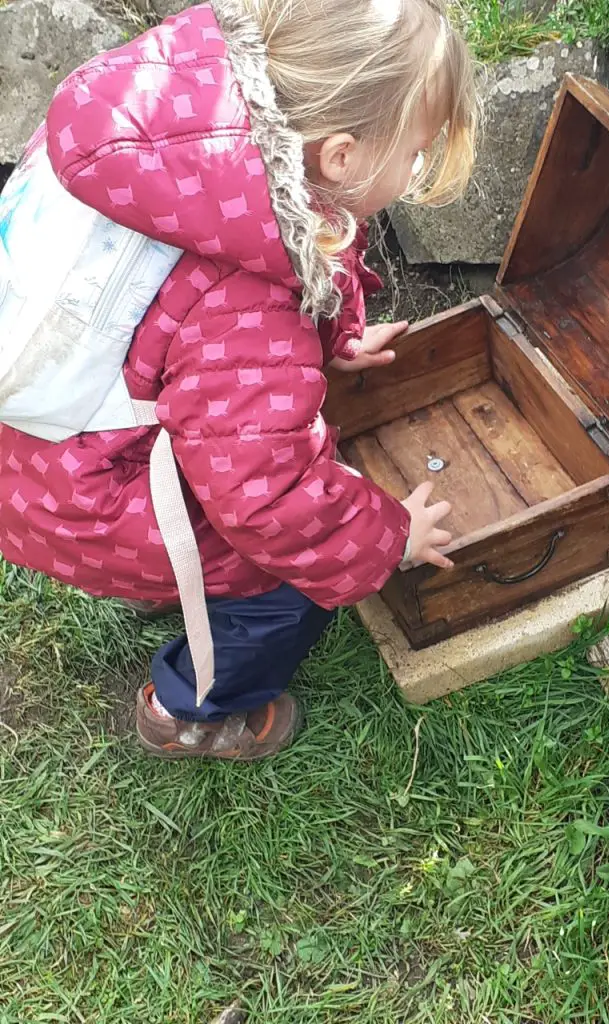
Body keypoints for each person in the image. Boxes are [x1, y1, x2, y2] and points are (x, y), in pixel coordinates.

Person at [0, 0, 478, 760]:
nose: (416, 168)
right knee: (285, 585)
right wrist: (388, 539)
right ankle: (191, 707)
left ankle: (177, 599)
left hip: (47, 452)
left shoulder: (204, 139)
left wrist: (332, 337)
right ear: (343, 157)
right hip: (91, 493)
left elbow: (212, 301)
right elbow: (271, 504)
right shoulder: (248, 311)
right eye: (415, 153)